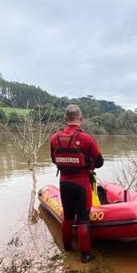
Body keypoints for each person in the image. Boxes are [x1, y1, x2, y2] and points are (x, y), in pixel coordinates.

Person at [50, 104, 104, 263]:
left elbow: (54, 160)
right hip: (81, 184)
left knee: (67, 217)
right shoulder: (86, 138)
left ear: (65, 118)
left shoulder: (55, 138)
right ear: (81, 118)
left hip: (64, 183)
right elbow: (99, 162)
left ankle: (66, 247)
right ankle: (85, 255)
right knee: (83, 219)